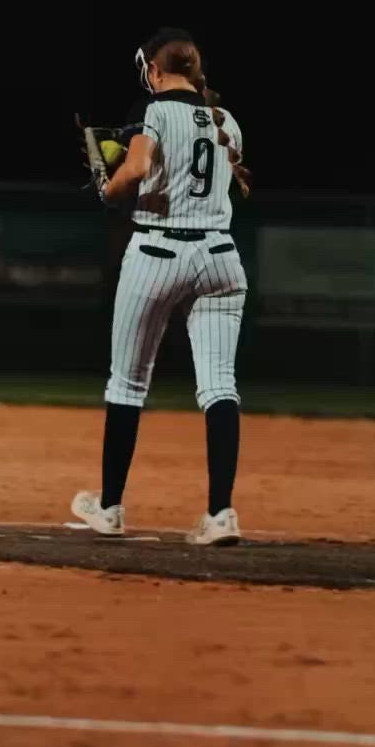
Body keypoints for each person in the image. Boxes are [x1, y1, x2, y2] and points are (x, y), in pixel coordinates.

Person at [72, 27, 249, 545]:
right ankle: (221, 514)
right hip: (220, 257)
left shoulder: (152, 110)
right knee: (219, 386)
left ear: (153, 69)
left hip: (157, 253)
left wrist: (108, 188)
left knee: (126, 385)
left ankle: (110, 508)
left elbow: (138, 167)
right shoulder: (226, 120)